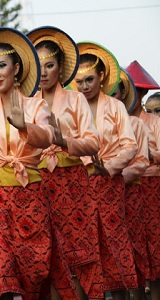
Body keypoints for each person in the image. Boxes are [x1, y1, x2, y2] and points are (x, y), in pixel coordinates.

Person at [0, 27, 55, 300]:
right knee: (2, 264)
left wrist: (24, 125)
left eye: (2, 66)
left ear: (16, 68)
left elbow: (48, 136)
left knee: (35, 269)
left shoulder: (36, 106)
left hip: (31, 193)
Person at [27, 26, 101, 300]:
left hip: (72, 186)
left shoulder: (75, 99)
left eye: (49, 65)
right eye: (39, 66)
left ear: (61, 67)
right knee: (47, 257)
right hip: (38, 185)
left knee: (77, 257)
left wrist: (65, 142)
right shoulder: (27, 103)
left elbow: (93, 143)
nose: (43, 72)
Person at [70, 41, 139, 300]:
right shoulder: (72, 107)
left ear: (101, 77)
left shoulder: (115, 107)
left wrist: (108, 167)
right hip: (79, 187)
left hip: (109, 185)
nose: (84, 86)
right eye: (79, 81)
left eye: (89, 79)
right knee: (82, 249)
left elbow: (130, 146)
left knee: (113, 247)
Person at [113, 68, 150, 300]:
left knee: (133, 247)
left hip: (130, 193)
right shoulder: (94, 121)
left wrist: (120, 174)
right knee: (111, 252)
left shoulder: (135, 124)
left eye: (114, 94)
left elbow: (142, 160)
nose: (110, 98)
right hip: (103, 192)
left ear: (124, 95)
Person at [126, 60, 160, 300]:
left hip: (153, 188)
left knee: (155, 247)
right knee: (132, 247)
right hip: (127, 188)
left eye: (133, 90)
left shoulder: (155, 122)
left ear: (142, 93)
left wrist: (149, 155)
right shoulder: (120, 120)